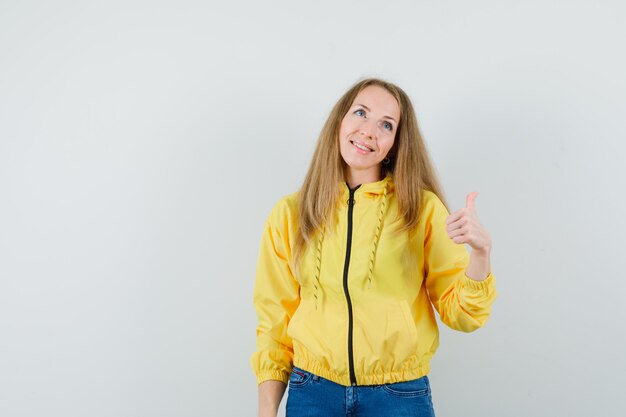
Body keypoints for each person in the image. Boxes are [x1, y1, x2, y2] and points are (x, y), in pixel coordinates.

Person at [250, 78, 498, 417]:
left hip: (398, 396)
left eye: (386, 124)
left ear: (395, 144)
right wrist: (266, 412)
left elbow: (463, 314)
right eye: (361, 113)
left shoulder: (421, 209)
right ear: (340, 121)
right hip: (313, 393)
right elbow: (274, 322)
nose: (368, 130)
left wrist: (481, 255)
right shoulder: (290, 214)